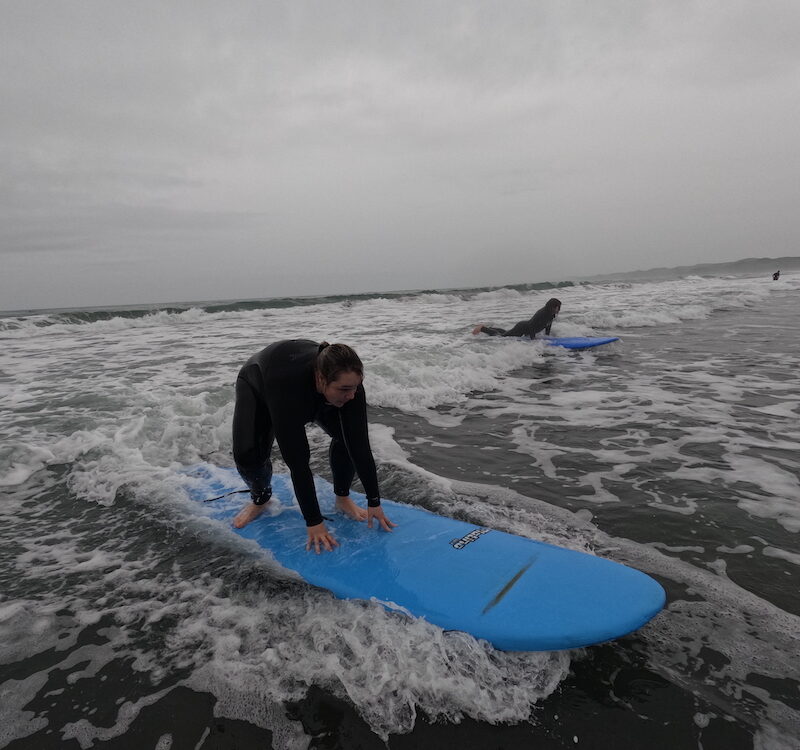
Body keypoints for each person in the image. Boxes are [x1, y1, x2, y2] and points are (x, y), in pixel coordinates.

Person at [231, 339, 395, 553]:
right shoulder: (286, 386)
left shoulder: (348, 382)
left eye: (356, 387)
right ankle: (261, 499)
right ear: (320, 378)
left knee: (347, 439)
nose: (352, 395)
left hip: (314, 390)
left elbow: (360, 446)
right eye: (346, 389)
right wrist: (314, 522)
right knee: (248, 455)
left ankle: (343, 498)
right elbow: (298, 463)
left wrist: (374, 501)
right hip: (261, 385)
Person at [472, 298, 562, 339]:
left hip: (524, 328)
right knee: (502, 336)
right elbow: (532, 326)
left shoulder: (551, 314)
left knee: (506, 332)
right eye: (558, 307)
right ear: (552, 307)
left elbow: (548, 325)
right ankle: (482, 328)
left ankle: (490, 328)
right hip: (522, 327)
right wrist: (532, 340)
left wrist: (548, 336)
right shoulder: (542, 313)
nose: (559, 309)